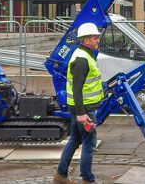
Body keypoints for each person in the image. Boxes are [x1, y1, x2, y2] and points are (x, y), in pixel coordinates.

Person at [55, 22, 104, 184]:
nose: (98, 40)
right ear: (85, 40)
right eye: (94, 37)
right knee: (89, 144)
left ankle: (61, 176)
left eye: (97, 37)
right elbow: (77, 88)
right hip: (85, 109)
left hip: (80, 107)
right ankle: (88, 179)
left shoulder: (82, 54)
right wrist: (82, 114)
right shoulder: (82, 59)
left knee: (75, 139)